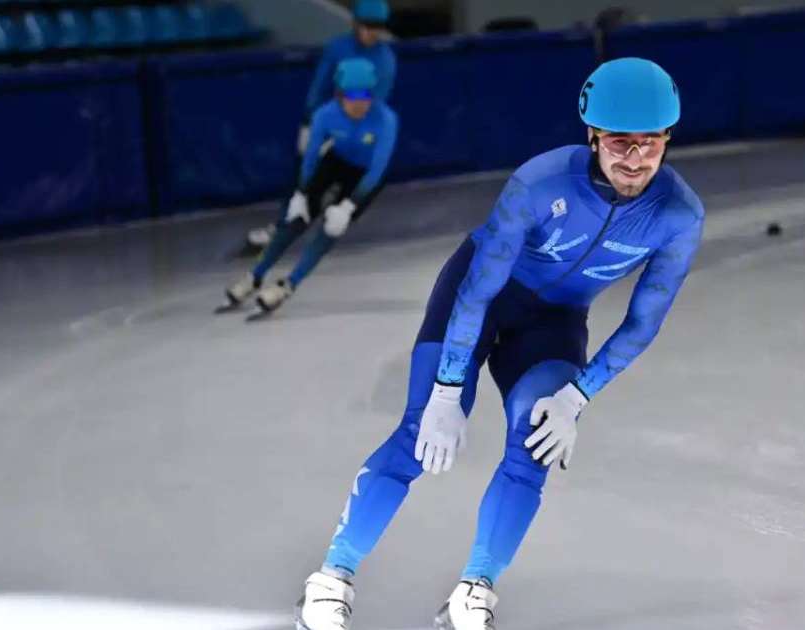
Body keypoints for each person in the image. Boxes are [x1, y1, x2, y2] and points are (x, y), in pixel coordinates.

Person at [294, 58, 704, 630]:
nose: (634, 161)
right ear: (592, 136)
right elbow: (478, 291)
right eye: (618, 143)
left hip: (554, 322)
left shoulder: (678, 215)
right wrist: (445, 391)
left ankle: (475, 588)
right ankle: (332, 576)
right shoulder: (540, 183)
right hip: (479, 301)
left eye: (649, 145)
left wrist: (577, 397)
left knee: (535, 440)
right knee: (420, 434)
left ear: (667, 139)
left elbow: (642, 323)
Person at [225, 57, 398, 313]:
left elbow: (377, 170)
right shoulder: (325, 115)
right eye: (352, 95)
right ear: (339, 95)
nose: (360, 102)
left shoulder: (386, 119)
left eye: (366, 95)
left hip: (365, 178)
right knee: (295, 221)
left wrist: (350, 207)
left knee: (332, 227)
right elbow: (309, 160)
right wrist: (301, 194)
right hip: (335, 163)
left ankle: (289, 284)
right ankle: (255, 275)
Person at [245, 0, 397, 251]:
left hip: (361, 128)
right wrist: (310, 123)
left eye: (378, 27)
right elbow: (319, 87)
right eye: (367, 26)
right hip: (328, 120)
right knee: (306, 169)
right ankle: (285, 223)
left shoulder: (386, 59)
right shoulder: (337, 48)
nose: (373, 32)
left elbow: (375, 103)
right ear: (355, 24)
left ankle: (339, 214)